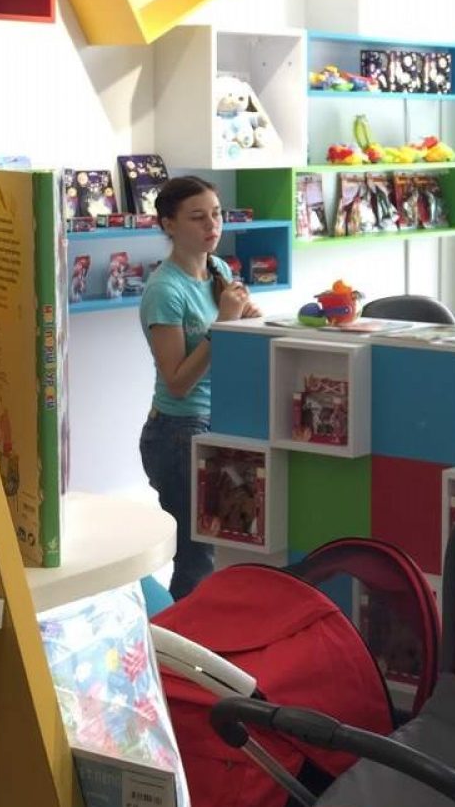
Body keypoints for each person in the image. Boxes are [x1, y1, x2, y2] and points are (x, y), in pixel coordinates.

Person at [139, 176, 260, 599]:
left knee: (221, 546)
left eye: (217, 214)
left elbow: (234, 340)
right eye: (198, 217)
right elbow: (177, 382)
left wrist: (246, 320)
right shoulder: (164, 290)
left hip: (217, 421)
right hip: (178, 433)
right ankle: (181, 637)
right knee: (196, 557)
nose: (212, 225)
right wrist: (223, 325)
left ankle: (204, 632)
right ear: (169, 224)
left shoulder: (218, 269)